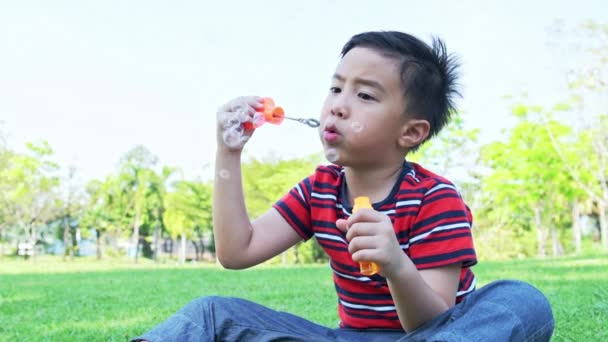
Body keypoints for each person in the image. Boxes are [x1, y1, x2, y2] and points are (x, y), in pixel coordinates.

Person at [133, 31, 554, 342]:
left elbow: (431, 322)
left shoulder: (434, 198)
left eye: (365, 96)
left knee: (522, 301)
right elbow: (237, 251)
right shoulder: (319, 190)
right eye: (336, 87)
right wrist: (229, 154)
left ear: (411, 132)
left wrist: (395, 264)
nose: (337, 103)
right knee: (210, 315)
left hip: (435, 336)